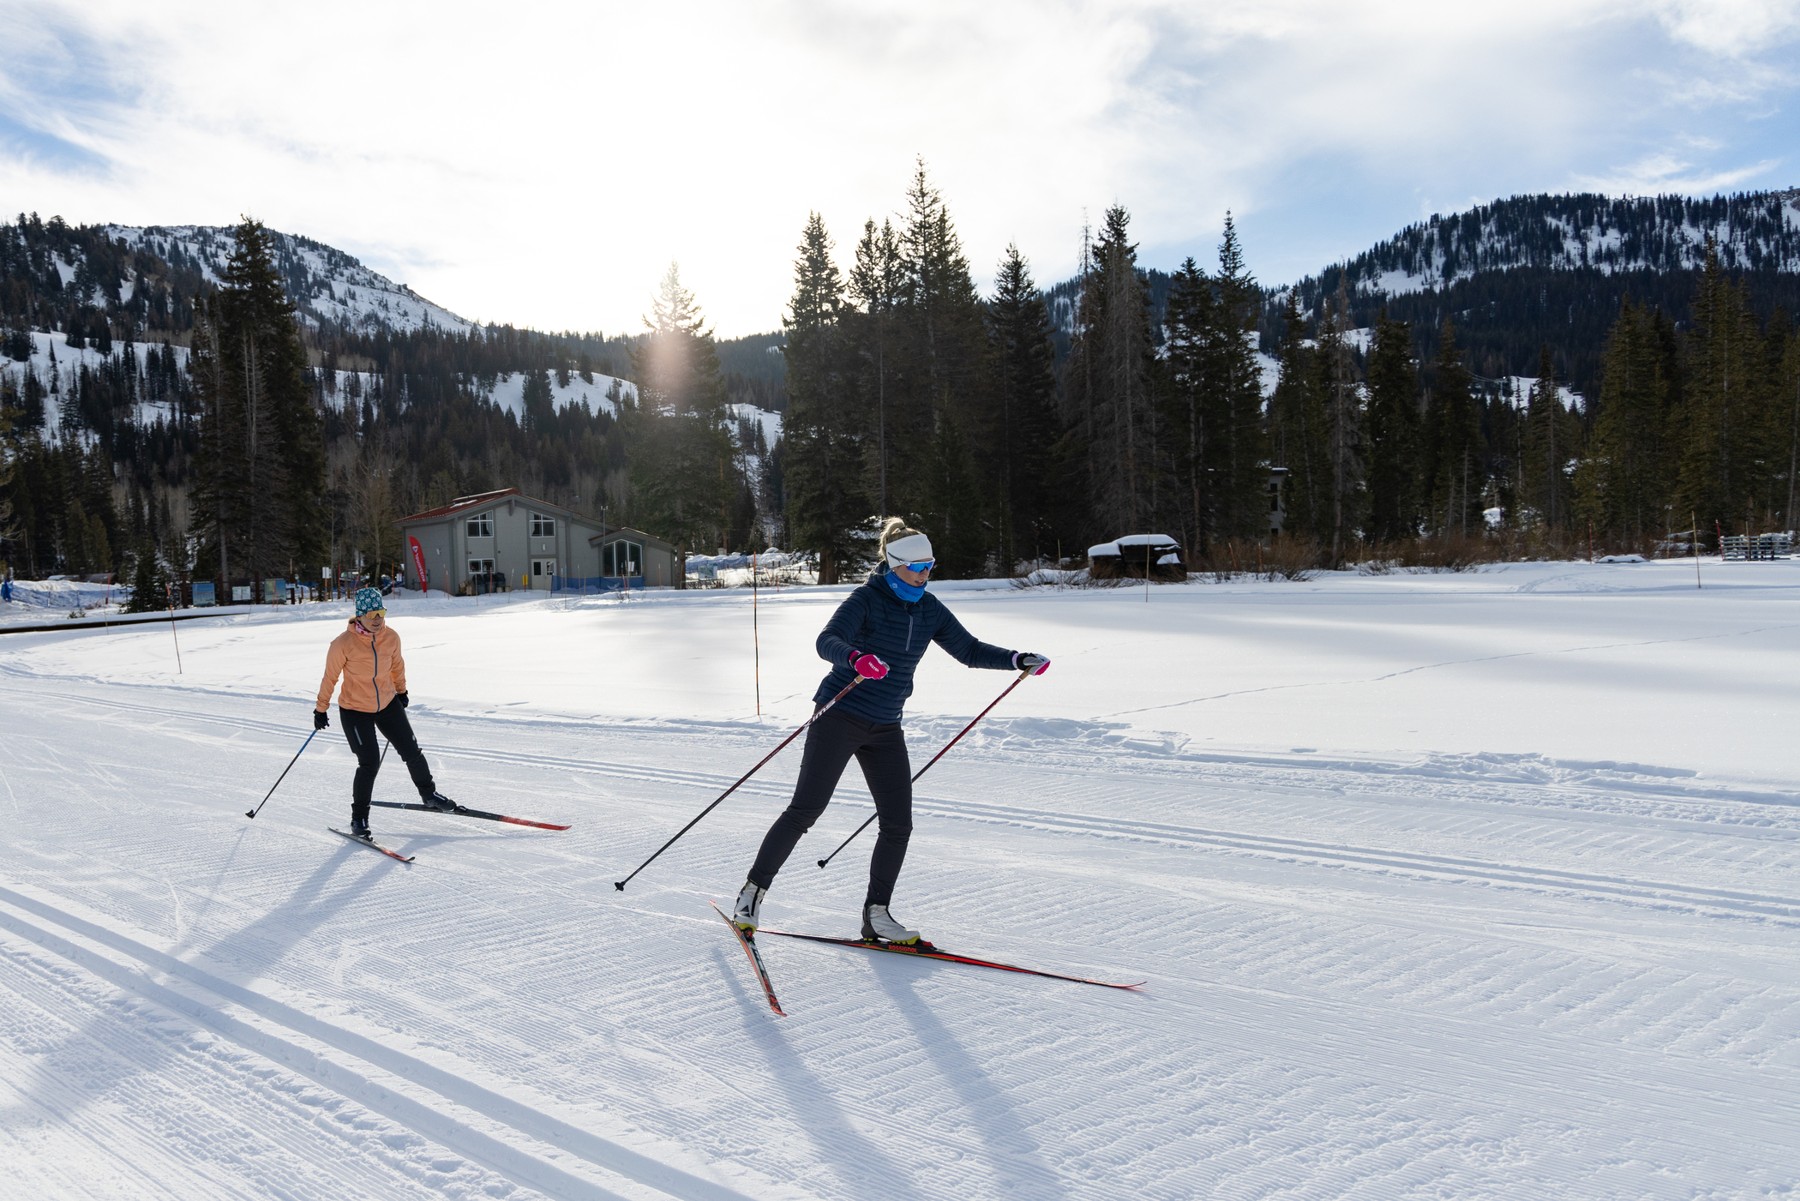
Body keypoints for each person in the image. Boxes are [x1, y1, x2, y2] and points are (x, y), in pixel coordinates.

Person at [731, 519, 1050, 946]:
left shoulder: (929, 608)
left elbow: (969, 650)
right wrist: (856, 658)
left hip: (886, 725)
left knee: (898, 824)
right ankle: (752, 893)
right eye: (916, 566)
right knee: (806, 810)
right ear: (894, 564)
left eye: (930, 566)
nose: (923, 574)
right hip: (839, 715)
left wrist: (1016, 659)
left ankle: (877, 916)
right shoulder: (866, 598)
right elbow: (828, 640)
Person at [313, 586, 456, 840]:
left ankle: (428, 794)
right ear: (360, 616)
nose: (378, 620)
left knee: (411, 750)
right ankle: (358, 818)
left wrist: (401, 691)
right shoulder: (342, 644)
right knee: (369, 761)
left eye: (381, 612)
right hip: (355, 710)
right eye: (372, 614)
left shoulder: (391, 637)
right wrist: (321, 708)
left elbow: (397, 666)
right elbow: (330, 677)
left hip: (387, 703)